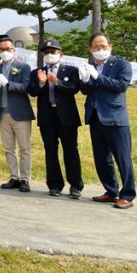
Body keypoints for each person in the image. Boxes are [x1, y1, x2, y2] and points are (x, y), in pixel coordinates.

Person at [80, 33, 136, 209]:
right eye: (95, 47)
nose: (100, 49)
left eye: (103, 46)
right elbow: (86, 91)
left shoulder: (121, 64)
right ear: (90, 49)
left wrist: (97, 76)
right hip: (95, 117)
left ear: (110, 47)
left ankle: (127, 195)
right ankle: (111, 191)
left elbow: (120, 86)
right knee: (102, 158)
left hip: (115, 118)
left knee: (122, 158)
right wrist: (84, 80)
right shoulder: (89, 66)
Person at [28, 40, 83, 199]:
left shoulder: (71, 70)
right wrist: (41, 83)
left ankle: (75, 185)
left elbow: (74, 88)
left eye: (53, 52)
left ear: (61, 54)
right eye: (46, 52)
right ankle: (54, 184)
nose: (50, 55)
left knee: (70, 150)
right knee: (50, 151)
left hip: (66, 116)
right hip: (47, 115)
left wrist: (57, 82)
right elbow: (32, 91)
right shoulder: (37, 71)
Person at [0, 37, 34, 193]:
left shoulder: (23, 67)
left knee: (24, 148)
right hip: (3, 113)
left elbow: (25, 87)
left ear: (14, 50)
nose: (5, 52)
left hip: (20, 114)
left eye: (8, 49)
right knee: (9, 148)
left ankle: (25, 179)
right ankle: (14, 177)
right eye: (1, 50)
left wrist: (8, 84)